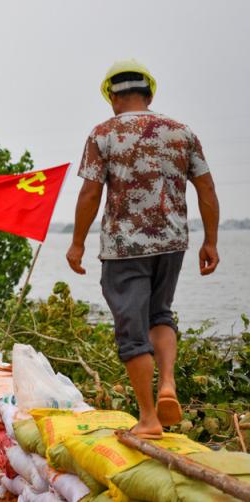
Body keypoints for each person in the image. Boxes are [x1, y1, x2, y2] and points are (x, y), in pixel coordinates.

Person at [67, 60, 220, 439]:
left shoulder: (103, 134)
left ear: (112, 98)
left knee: (132, 331)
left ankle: (149, 417)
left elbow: (90, 192)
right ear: (149, 95)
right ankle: (167, 382)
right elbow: (207, 189)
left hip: (124, 248)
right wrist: (211, 241)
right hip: (172, 244)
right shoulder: (182, 133)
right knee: (160, 314)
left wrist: (77, 242)